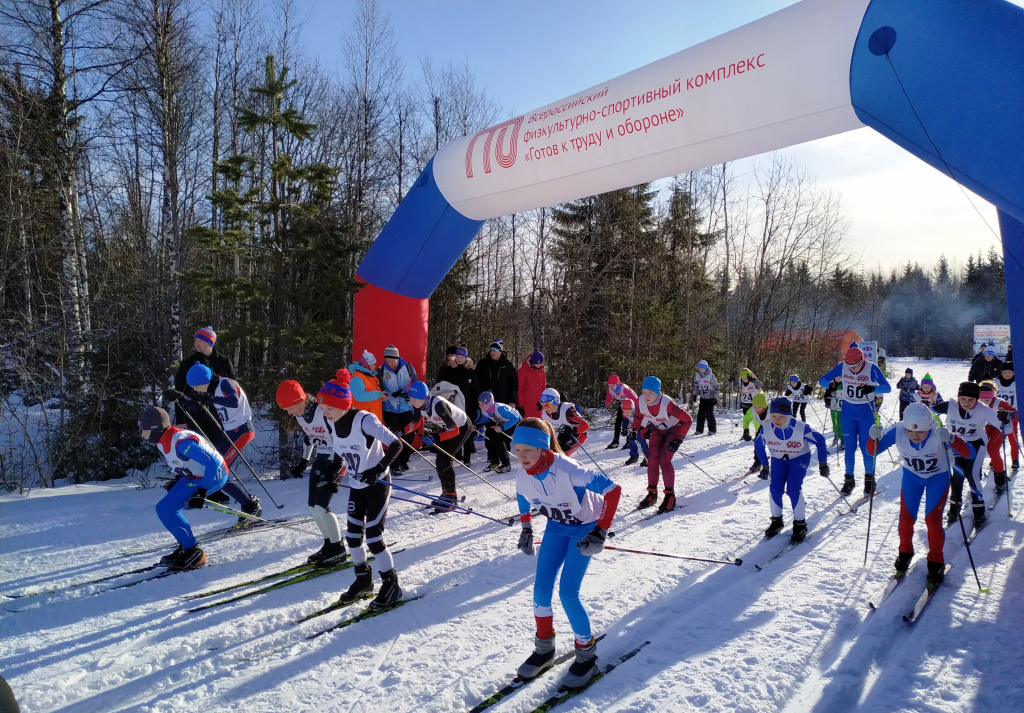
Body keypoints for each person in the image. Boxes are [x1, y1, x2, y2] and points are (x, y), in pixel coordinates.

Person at [511, 418, 621, 689]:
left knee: (568, 594)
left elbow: (613, 491)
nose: (521, 456)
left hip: (583, 530)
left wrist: (600, 532)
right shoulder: (523, 473)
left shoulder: (568, 469)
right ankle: (544, 649)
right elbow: (523, 497)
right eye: (517, 449)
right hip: (556, 528)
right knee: (540, 591)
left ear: (542, 447)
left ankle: (586, 655)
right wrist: (526, 529)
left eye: (528, 449)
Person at [318, 370, 405, 610]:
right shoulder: (332, 421)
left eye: (329, 409)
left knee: (374, 538)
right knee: (353, 539)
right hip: (357, 486)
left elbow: (397, 444)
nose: (325, 414)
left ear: (344, 405)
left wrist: (377, 469)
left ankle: (392, 585)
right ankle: (363, 581)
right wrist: (334, 473)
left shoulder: (365, 420)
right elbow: (339, 450)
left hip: (378, 485)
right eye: (323, 409)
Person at [867, 403, 974, 587]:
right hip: (912, 477)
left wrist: (951, 438)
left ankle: (936, 560)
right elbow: (873, 451)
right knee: (906, 519)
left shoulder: (939, 432)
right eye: (912, 431)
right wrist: (873, 437)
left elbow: (969, 453)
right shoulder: (899, 430)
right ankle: (905, 552)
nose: (916, 436)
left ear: (930, 426)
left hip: (937, 478)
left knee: (932, 520)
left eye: (922, 431)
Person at [139, 406, 228, 571]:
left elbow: (213, 463)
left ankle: (194, 552)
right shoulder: (163, 441)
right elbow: (186, 462)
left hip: (213, 476)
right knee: (162, 508)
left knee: (169, 509)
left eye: (144, 430)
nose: (142, 435)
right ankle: (186, 547)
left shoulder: (181, 443)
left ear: (155, 429)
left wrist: (201, 491)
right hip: (195, 476)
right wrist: (179, 478)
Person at [275, 379, 349, 567]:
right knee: (313, 507)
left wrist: (341, 466)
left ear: (299, 400)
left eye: (290, 408)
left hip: (336, 459)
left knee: (322, 505)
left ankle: (338, 549)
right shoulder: (301, 416)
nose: (289, 413)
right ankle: (328, 545)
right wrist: (304, 461)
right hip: (322, 458)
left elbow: (344, 436)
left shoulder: (322, 411)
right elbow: (310, 439)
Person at [178, 363, 261, 525]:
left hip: (242, 430)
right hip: (230, 432)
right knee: (214, 468)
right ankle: (248, 503)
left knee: (218, 471)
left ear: (203, 382)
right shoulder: (212, 388)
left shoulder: (225, 383)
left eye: (196, 386)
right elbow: (196, 407)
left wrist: (210, 398)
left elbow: (233, 401)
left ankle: (250, 505)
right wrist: (180, 397)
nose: (195, 390)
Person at [817, 346, 892, 496]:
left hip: (866, 413)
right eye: (850, 366)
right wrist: (831, 385)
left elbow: (887, 388)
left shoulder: (871, 368)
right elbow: (822, 380)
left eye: (856, 366)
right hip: (848, 413)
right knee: (849, 447)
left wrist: (872, 388)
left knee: (867, 448)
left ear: (863, 360)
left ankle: (869, 480)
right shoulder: (843, 366)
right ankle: (849, 480)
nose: (853, 369)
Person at [932, 381, 1008, 526]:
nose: (967, 403)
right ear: (958, 397)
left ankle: (979, 511)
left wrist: (1006, 419)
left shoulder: (983, 409)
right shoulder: (950, 405)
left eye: (971, 399)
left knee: (972, 475)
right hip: (956, 444)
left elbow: (1005, 427)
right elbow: (928, 411)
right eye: (963, 399)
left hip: (976, 445)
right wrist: (923, 406)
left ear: (977, 399)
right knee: (957, 476)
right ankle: (954, 509)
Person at [755, 398, 829, 543]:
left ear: (789, 415)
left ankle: (800, 523)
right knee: (775, 489)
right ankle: (776, 521)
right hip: (778, 459)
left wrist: (823, 464)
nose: (777, 420)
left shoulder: (801, 427)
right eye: (774, 416)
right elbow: (758, 445)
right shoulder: (766, 428)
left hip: (799, 458)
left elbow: (820, 441)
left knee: (793, 489)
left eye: (781, 417)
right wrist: (764, 466)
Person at [406, 380, 473, 511]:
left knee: (445, 458)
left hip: (462, 427)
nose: (412, 402)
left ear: (424, 397)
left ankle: (451, 498)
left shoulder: (438, 405)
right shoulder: (419, 406)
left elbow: (455, 430)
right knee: (440, 459)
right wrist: (400, 432)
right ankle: (446, 493)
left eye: (415, 399)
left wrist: (435, 437)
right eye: (411, 399)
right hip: (448, 429)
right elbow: (414, 424)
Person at [633, 376, 693, 512]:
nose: (647, 396)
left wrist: (679, 440)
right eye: (644, 392)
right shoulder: (640, 401)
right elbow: (638, 416)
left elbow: (687, 420)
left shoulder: (667, 403)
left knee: (664, 459)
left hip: (675, 429)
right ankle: (652, 493)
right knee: (652, 459)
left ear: (658, 393)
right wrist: (635, 429)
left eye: (651, 393)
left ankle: (670, 496)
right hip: (658, 429)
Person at [171, 326, 235, 435]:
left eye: (200, 340)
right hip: (196, 414)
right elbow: (179, 391)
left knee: (220, 449)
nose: (197, 343)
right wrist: (181, 420)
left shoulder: (224, 361)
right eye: (195, 340)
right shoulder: (188, 363)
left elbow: (234, 387)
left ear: (210, 342)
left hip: (220, 415)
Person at [436, 345, 480, 465]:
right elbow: (440, 385)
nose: (459, 359)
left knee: (468, 429)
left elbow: (475, 390)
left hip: (468, 405)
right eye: (458, 357)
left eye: (462, 357)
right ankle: (456, 454)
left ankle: (467, 458)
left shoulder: (470, 372)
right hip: (452, 404)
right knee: (454, 428)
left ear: (466, 358)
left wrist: (477, 406)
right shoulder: (449, 370)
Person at [378, 344, 417, 472]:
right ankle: (395, 465)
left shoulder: (408, 368)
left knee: (408, 436)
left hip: (407, 407)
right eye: (387, 361)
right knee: (394, 436)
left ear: (398, 358)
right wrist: (389, 395)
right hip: (390, 409)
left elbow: (416, 385)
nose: (390, 364)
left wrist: (410, 395)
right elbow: (379, 390)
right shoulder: (382, 370)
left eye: (392, 361)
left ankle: (404, 461)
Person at [978, 380, 1018, 494]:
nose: (984, 403)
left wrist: (1007, 415)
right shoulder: (976, 403)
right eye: (981, 400)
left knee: (992, 448)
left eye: (987, 400)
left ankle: (1000, 479)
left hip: (999, 426)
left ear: (993, 396)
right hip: (987, 425)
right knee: (980, 446)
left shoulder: (1000, 403)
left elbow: (1015, 413)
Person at [476, 390, 521, 473]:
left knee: (499, 440)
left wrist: (502, 428)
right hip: (503, 422)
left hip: (515, 422)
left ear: (489, 403)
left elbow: (515, 418)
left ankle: (506, 464)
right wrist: (475, 425)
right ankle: (494, 462)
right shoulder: (485, 410)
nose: (481, 406)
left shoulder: (500, 409)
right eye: (479, 404)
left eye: (483, 404)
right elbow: (484, 419)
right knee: (490, 437)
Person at [539, 388, 590, 456]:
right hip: (564, 434)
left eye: (548, 405)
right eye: (542, 405)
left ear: (556, 401)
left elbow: (586, 426)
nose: (545, 408)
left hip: (578, 434)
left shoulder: (567, 410)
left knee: (561, 455)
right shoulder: (545, 414)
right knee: (550, 453)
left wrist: (573, 430)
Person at [476, 339, 518, 412]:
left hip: (503, 401)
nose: (492, 352)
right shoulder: (482, 364)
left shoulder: (507, 365)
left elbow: (513, 384)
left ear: (500, 351)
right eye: (491, 350)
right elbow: (476, 381)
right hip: (485, 401)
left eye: (495, 350)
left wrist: (513, 400)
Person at [995, 361, 1019, 471]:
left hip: (1013, 414)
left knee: (1013, 438)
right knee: (998, 438)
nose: (1007, 374)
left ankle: (1015, 459)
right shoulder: (996, 381)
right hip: (998, 414)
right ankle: (994, 459)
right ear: (1001, 372)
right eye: (1005, 372)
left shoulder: (1017, 382)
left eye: (1010, 372)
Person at [604, 375, 638, 449]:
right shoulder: (610, 389)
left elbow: (634, 398)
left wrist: (637, 408)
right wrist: (606, 403)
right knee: (618, 421)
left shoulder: (624, 388)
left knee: (630, 421)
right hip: (623, 404)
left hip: (632, 404)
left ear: (617, 384)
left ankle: (629, 441)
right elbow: (609, 397)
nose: (611, 387)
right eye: (609, 385)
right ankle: (616, 440)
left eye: (613, 385)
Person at [349, 350, 384, 420]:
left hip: (373, 419)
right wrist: (379, 395)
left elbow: (372, 395)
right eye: (373, 364)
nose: (375, 366)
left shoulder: (372, 377)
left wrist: (382, 396)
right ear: (366, 364)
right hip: (362, 420)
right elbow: (359, 396)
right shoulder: (357, 378)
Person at [742, 392, 770, 475]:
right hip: (762, 428)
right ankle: (758, 463)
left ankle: (780, 465)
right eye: (754, 406)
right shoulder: (752, 410)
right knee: (758, 445)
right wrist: (746, 430)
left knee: (775, 447)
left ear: (765, 405)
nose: (757, 409)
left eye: (759, 407)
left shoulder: (772, 410)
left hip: (776, 429)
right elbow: (746, 419)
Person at [689, 360, 720, 435]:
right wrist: (695, 395)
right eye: (699, 368)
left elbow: (717, 387)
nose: (700, 370)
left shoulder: (711, 376)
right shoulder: (697, 375)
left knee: (709, 414)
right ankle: (699, 430)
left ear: (705, 368)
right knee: (700, 414)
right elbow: (696, 385)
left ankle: (712, 430)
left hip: (710, 398)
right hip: (703, 397)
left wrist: (715, 398)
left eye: (702, 368)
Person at [517, 350, 548, 419]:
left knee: (537, 425)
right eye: (539, 363)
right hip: (526, 406)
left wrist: (542, 401)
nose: (541, 365)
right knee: (526, 425)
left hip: (537, 406)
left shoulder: (541, 370)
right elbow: (519, 389)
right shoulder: (522, 371)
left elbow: (543, 387)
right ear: (533, 363)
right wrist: (520, 405)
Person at [620, 398, 649, 467]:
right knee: (631, 440)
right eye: (623, 411)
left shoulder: (638, 413)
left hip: (644, 426)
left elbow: (645, 420)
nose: (625, 413)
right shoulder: (625, 414)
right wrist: (624, 428)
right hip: (634, 428)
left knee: (641, 440)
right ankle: (634, 457)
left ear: (632, 409)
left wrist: (637, 430)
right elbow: (625, 421)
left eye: (627, 411)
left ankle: (647, 457)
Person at [738, 369, 763, 440]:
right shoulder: (740, 381)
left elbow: (761, 385)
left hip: (754, 404)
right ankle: (746, 434)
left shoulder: (753, 381)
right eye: (742, 378)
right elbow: (732, 385)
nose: (744, 379)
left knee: (755, 420)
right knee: (746, 419)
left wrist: (754, 380)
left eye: (745, 378)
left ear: (749, 376)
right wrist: (730, 381)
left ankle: (758, 434)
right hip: (745, 403)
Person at [822, 376, 845, 451]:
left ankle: (843, 440)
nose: (837, 379)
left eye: (839, 377)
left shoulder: (845, 384)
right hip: (833, 406)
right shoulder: (831, 384)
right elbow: (826, 395)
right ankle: (836, 435)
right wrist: (827, 401)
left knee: (841, 423)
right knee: (834, 422)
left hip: (842, 407)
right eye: (836, 378)